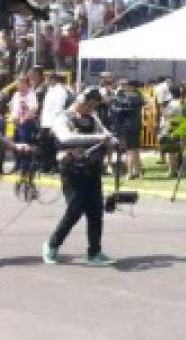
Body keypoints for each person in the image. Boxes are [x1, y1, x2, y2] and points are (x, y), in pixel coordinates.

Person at [41, 86, 118, 267]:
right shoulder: (63, 117)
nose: (91, 109)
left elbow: (107, 137)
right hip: (71, 169)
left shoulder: (92, 119)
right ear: (80, 101)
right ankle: (52, 244)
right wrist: (98, 137)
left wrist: (112, 141)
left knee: (95, 211)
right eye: (89, 105)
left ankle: (95, 252)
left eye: (94, 106)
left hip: (91, 168)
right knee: (75, 210)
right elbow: (66, 138)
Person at [108, 77, 145, 179]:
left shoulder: (130, 97)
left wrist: (114, 101)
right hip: (135, 125)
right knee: (135, 149)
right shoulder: (138, 95)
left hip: (128, 125)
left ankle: (130, 172)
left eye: (123, 85)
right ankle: (136, 171)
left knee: (130, 149)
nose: (122, 87)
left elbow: (120, 110)